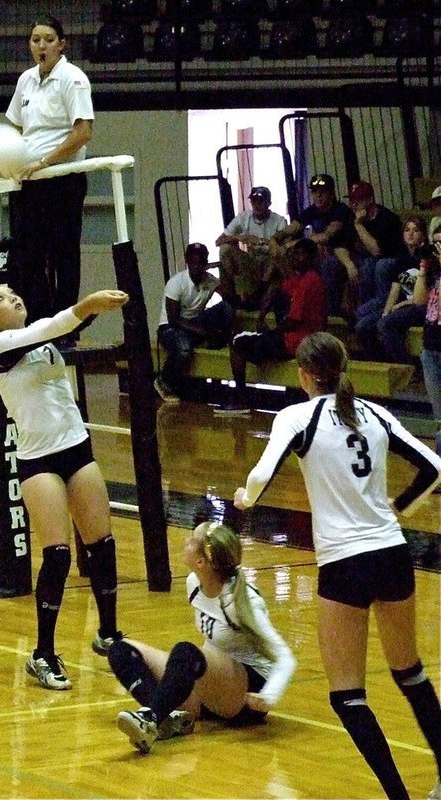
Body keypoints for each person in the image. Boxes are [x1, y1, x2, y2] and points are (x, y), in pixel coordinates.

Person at [234, 331, 441, 800]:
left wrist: (247, 499)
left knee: (348, 695)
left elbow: (262, 472)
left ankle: (398, 796)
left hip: (345, 563)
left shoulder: (297, 417)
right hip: (392, 555)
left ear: (304, 374)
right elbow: (433, 465)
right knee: (409, 672)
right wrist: (400, 507)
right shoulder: (376, 413)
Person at [0, 284, 129, 690]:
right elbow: (55, 325)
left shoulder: (43, 339)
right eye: (2, 298)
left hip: (76, 448)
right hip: (39, 460)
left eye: (13, 292)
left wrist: (97, 309)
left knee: (102, 544)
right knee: (57, 555)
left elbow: (58, 329)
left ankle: (108, 634)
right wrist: (87, 305)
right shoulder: (1, 346)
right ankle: (42, 654)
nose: (14, 297)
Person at [109, 521, 296, 755]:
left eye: (191, 540)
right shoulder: (193, 583)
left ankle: (150, 718)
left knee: (186, 651)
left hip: (246, 694)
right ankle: (168, 719)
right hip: (208, 684)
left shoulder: (241, 601)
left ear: (201, 562)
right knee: (120, 650)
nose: (186, 542)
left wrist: (269, 696)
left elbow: (286, 658)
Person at [6, 15, 94, 324]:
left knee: (63, 255)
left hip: (62, 181)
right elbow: (16, 126)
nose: (41, 46)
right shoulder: (25, 80)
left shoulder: (73, 78)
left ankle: (67, 325)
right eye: (35, 40)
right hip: (30, 184)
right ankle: (40, 323)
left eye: (48, 39)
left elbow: (83, 132)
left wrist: (44, 161)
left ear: (61, 44)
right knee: (28, 256)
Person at [214, 238, 327, 415]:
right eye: (296, 254)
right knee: (274, 291)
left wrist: (272, 332)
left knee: (237, 342)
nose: (297, 258)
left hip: (296, 341)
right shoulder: (309, 279)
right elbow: (280, 286)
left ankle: (241, 398)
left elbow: (293, 321)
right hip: (307, 339)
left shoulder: (308, 282)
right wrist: (262, 316)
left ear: (312, 258)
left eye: (302, 255)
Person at [154, 242, 234, 403]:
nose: (197, 266)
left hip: (195, 323)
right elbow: (174, 319)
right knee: (184, 349)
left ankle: (220, 340)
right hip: (170, 328)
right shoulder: (176, 283)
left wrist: (222, 269)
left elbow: (231, 297)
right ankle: (163, 381)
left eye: (201, 262)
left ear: (206, 263)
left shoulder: (210, 280)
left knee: (227, 307)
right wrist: (202, 332)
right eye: (194, 262)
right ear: (187, 261)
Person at [274, 174, 354, 315]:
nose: (318, 196)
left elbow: (326, 236)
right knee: (286, 257)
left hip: (344, 255)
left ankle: (331, 311)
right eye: (315, 192)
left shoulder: (341, 210)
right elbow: (292, 228)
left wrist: (293, 244)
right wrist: (274, 240)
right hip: (322, 254)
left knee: (328, 264)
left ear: (331, 193)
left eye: (322, 192)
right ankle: (293, 302)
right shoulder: (312, 210)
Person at [356, 215, 428, 362]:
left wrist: (400, 305)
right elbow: (395, 290)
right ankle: (380, 364)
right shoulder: (401, 260)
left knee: (385, 325)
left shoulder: (427, 257)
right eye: (407, 230)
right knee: (363, 326)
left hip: (422, 307)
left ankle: (406, 367)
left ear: (423, 235)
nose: (410, 233)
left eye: (415, 230)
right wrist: (386, 311)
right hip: (403, 306)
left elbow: (428, 294)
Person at [215, 186, 288, 311]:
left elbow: (284, 248)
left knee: (275, 257)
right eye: (254, 201)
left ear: (269, 203)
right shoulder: (243, 218)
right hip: (251, 260)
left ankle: (259, 291)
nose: (257, 205)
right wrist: (238, 237)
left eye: (261, 201)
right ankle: (233, 296)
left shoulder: (279, 221)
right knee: (225, 249)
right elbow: (219, 241)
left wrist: (259, 241)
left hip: (270, 261)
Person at [341, 180, 404, 307]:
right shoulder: (350, 216)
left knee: (370, 265)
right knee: (330, 263)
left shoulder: (386, 218)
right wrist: (349, 264)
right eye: (351, 201)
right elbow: (340, 245)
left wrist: (358, 225)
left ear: (370, 200)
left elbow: (376, 251)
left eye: (357, 200)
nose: (353, 205)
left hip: (390, 258)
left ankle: (372, 306)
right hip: (362, 257)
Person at [413, 229, 441, 461]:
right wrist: (423, 268)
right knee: (439, 417)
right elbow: (419, 300)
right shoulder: (432, 273)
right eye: (435, 243)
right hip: (431, 348)